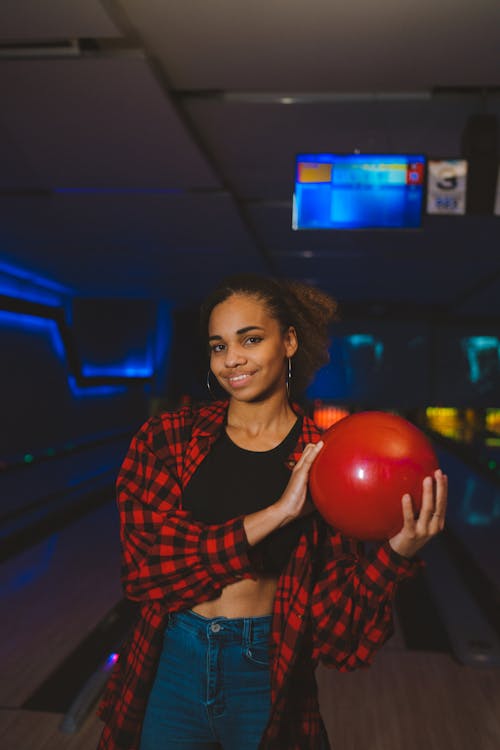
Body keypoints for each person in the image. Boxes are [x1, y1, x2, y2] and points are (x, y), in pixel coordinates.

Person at [97, 274, 447, 750]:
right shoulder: (167, 439)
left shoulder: (328, 461)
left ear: (288, 341)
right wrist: (278, 514)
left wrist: (397, 554)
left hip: (265, 669)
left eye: (251, 339)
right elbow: (147, 569)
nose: (232, 359)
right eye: (218, 346)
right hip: (171, 662)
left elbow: (338, 638)